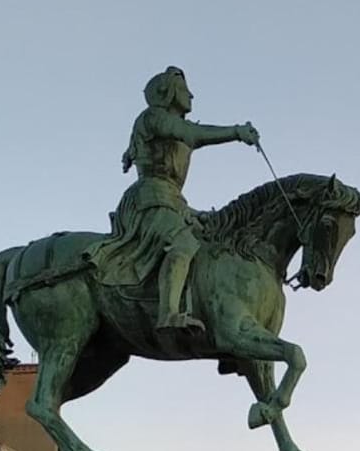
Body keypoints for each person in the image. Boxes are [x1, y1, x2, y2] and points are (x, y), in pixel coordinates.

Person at [86, 67, 260, 333]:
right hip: (149, 200)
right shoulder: (153, 118)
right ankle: (168, 314)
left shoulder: (168, 123)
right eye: (184, 90)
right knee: (183, 244)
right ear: (169, 93)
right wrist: (236, 132)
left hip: (171, 200)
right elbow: (191, 134)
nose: (191, 95)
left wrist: (189, 211)